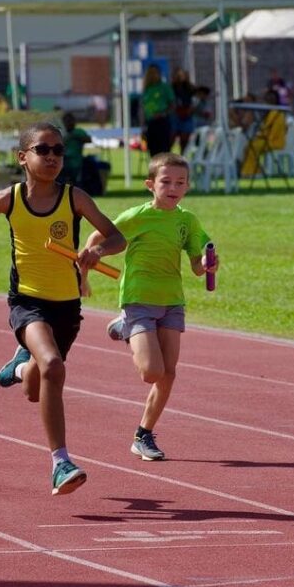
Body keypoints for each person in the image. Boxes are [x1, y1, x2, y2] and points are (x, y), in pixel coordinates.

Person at [0, 122, 126, 495]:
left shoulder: (75, 198)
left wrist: (97, 250)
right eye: (43, 150)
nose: (52, 157)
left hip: (66, 306)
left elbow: (118, 237)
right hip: (27, 303)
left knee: (35, 386)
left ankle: (20, 366)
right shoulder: (11, 198)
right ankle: (60, 462)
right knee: (53, 365)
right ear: (23, 157)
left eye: (58, 151)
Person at [79, 152, 217, 462]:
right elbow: (97, 237)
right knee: (151, 372)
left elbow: (197, 264)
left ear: (187, 187)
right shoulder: (136, 216)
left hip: (172, 301)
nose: (173, 187)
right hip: (139, 299)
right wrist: (84, 274)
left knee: (169, 374)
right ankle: (126, 325)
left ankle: (144, 435)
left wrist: (207, 264)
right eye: (166, 181)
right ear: (150, 184)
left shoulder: (187, 221)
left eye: (180, 183)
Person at [141, 64, 174, 157]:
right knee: (152, 150)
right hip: (150, 123)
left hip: (162, 122)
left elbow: (172, 105)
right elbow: (143, 107)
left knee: (163, 151)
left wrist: (162, 113)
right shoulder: (147, 89)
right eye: (151, 72)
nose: (154, 75)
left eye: (156, 72)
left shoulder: (164, 87)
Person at [59, 111, 91, 185]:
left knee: (74, 181)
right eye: (67, 121)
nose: (69, 123)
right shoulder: (61, 133)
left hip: (76, 162)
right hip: (63, 162)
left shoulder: (78, 132)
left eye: (71, 120)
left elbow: (89, 140)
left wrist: (74, 136)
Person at [170, 67, 196, 152]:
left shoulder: (190, 88)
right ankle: (168, 156)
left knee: (185, 138)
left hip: (187, 115)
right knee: (172, 137)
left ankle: (182, 156)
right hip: (175, 115)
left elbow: (195, 99)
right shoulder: (172, 87)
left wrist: (190, 109)